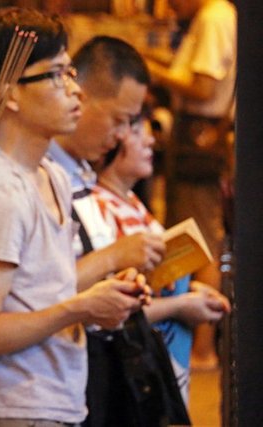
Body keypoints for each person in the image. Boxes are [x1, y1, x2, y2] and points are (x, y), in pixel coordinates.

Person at [0, 8, 149, 426]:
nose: (75, 91)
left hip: (55, 398)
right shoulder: (1, 192)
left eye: (71, 72)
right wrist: (79, 308)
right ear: (11, 94)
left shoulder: (53, 176)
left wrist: (107, 293)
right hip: (12, 406)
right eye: (56, 75)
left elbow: (46, 289)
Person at [48, 36, 167, 426]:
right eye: (118, 119)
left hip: (86, 370)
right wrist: (115, 256)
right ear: (78, 93)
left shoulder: (82, 173)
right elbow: (35, 297)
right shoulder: (40, 176)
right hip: (45, 384)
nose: (121, 136)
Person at [92, 111, 231, 404]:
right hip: (130, 373)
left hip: (155, 365)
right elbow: (108, 309)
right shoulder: (98, 209)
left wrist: (193, 294)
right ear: (109, 141)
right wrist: (180, 305)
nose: (150, 142)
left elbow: (156, 285)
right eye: (138, 134)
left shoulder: (133, 204)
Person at [144, 0, 236, 371]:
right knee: (195, 235)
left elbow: (202, 85)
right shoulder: (215, 16)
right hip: (198, 137)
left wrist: (153, 71)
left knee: (199, 241)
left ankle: (201, 348)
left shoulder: (214, 17)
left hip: (199, 136)